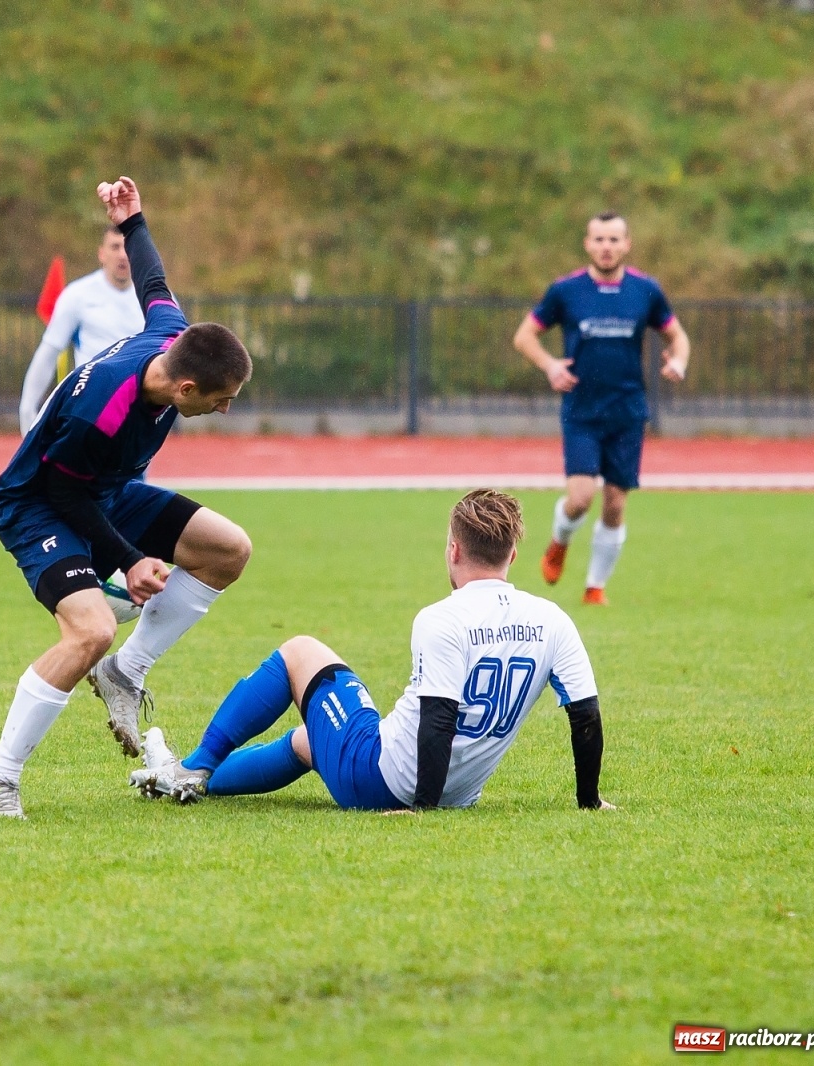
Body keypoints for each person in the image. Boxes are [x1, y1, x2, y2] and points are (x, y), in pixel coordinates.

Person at [0, 176, 254, 819]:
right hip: (40, 503)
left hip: (106, 489)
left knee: (227, 550)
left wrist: (133, 221)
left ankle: (127, 674)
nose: (226, 407)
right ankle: (0, 775)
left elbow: (154, 285)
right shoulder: (105, 409)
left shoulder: (170, 334)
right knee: (91, 629)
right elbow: (65, 495)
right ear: (184, 388)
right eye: (220, 399)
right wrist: (129, 560)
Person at [129, 490, 614, 813]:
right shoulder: (554, 619)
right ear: (512, 554)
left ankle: (190, 769)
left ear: (453, 550)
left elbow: (439, 718)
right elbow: (585, 714)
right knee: (309, 742)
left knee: (301, 651)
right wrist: (589, 801)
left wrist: (419, 810)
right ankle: (195, 779)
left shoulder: (442, 617)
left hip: (384, 779)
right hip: (460, 794)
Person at [513, 212, 690, 605]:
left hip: (627, 410)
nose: (606, 247)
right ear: (587, 244)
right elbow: (524, 336)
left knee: (614, 503)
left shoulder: (645, 290)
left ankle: (595, 588)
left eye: (614, 240)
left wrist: (677, 361)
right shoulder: (565, 291)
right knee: (579, 499)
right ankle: (559, 542)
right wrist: (550, 365)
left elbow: (678, 336)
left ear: (626, 244)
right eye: (599, 239)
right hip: (582, 411)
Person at [17, 226, 144, 434]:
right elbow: (48, 354)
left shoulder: (155, 299)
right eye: (115, 247)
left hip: (136, 416)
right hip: (90, 411)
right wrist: (27, 408)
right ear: (102, 254)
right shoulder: (77, 295)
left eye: (128, 247)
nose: (123, 254)